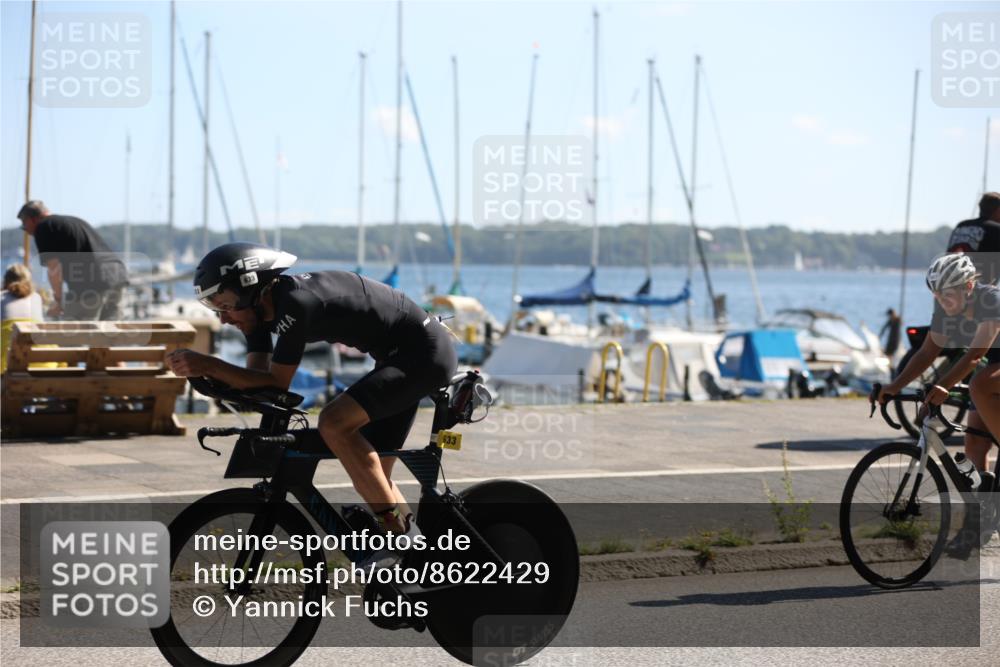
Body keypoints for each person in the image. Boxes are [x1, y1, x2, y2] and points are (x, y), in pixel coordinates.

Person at [165, 243, 457, 545]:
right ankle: (413, 555)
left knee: (333, 422)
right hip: (397, 357)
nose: (223, 319)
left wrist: (209, 364)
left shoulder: (296, 304)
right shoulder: (257, 313)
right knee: (374, 477)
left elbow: (276, 382)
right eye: (216, 309)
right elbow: (257, 383)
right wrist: (208, 376)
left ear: (253, 290)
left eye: (225, 306)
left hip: (424, 354)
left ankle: (402, 537)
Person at [879, 253, 1000, 476]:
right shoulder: (946, 311)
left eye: (948, 295)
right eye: (937, 295)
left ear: (969, 286)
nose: (942, 301)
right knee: (974, 441)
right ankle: (983, 508)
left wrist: (943, 386)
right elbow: (926, 353)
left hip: (992, 368)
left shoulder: (991, 300)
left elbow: (975, 355)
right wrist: (895, 386)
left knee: (979, 384)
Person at [16, 200, 128, 320]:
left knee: (72, 333)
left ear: (34, 218)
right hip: (117, 276)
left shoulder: (43, 227)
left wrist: (59, 302)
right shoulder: (73, 221)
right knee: (110, 334)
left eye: (24, 223)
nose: (25, 229)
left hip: (91, 283)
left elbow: (54, 269)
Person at [1, 264, 44, 374]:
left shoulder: (1, 297)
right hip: (44, 365)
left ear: (5, 282)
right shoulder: (36, 298)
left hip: (7, 367)